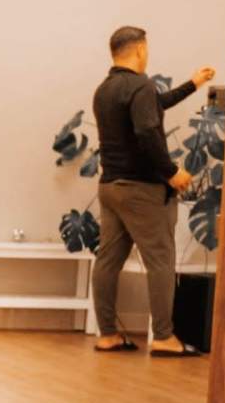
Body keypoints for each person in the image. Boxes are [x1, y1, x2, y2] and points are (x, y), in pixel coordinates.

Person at [91, 25, 213, 355]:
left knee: (108, 261)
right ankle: (163, 336)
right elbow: (147, 130)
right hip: (142, 190)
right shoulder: (140, 86)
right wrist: (171, 172)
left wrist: (193, 84)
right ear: (140, 50)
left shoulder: (105, 90)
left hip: (111, 187)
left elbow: (154, 105)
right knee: (160, 260)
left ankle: (107, 334)